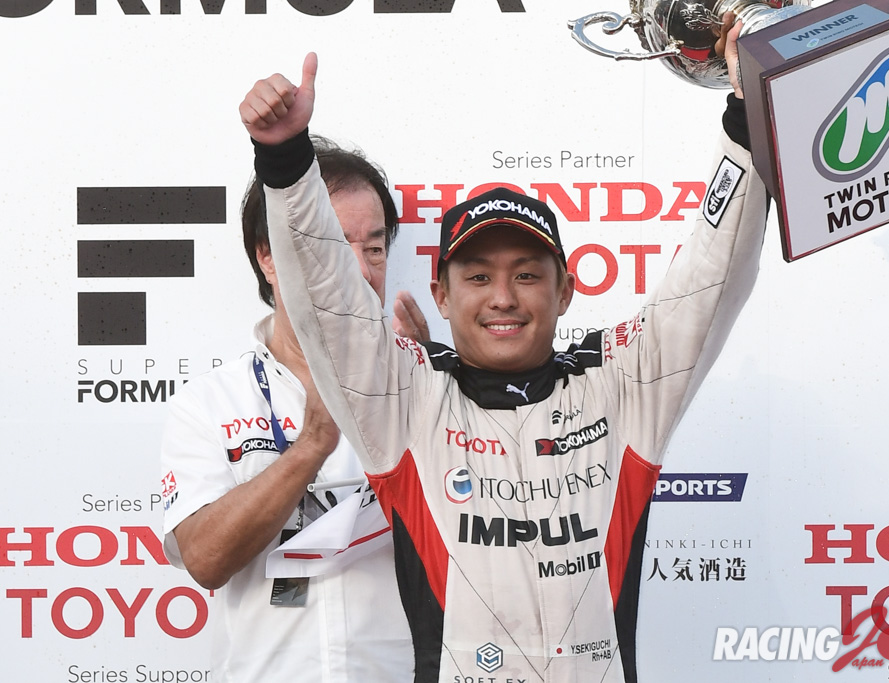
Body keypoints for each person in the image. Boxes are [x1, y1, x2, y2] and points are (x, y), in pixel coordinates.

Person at [241, 19, 766, 682]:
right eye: (478, 277)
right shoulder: (406, 398)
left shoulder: (624, 382)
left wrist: (747, 114)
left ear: (565, 290)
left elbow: (712, 274)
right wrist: (287, 161)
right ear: (441, 293)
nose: (503, 298)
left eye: (526, 274)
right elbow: (328, 299)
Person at [159, 134, 427, 682]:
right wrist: (311, 446)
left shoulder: (425, 381)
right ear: (268, 257)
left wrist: (438, 400)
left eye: (375, 249)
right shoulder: (210, 400)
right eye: (333, 246)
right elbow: (205, 561)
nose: (360, 270)